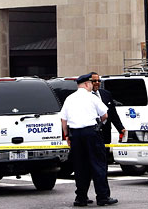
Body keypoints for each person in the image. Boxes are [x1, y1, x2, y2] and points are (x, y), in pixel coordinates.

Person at [60, 73, 118, 207]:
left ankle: (81, 198)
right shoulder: (92, 97)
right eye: (91, 83)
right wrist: (99, 123)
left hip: (75, 135)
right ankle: (102, 197)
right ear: (86, 84)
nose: (92, 86)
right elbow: (105, 114)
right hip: (91, 133)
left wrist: (67, 135)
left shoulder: (70, 98)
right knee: (98, 165)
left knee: (80, 167)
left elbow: (64, 119)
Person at [90, 72, 126, 145]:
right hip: (91, 132)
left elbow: (113, 114)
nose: (97, 83)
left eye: (98, 81)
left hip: (105, 133)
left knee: (105, 154)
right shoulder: (84, 96)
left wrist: (121, 128)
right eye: (94, 81)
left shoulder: (106, 94)